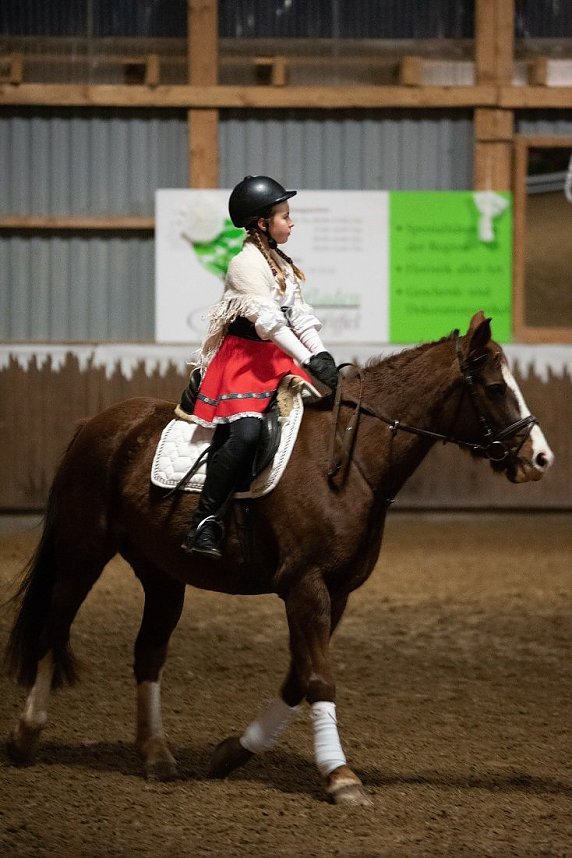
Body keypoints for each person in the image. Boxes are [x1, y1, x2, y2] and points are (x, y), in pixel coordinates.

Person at [177, 175, 339, 560]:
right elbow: (269, 323)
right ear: (262, 223)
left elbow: (299, 316)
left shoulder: (282, 263)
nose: (291, 223)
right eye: (285, 216)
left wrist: (322, 355)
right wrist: (308, 359)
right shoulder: (244, 265)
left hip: (276, 359)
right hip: (243, 362)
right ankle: (203, 521)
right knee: (247, 434)